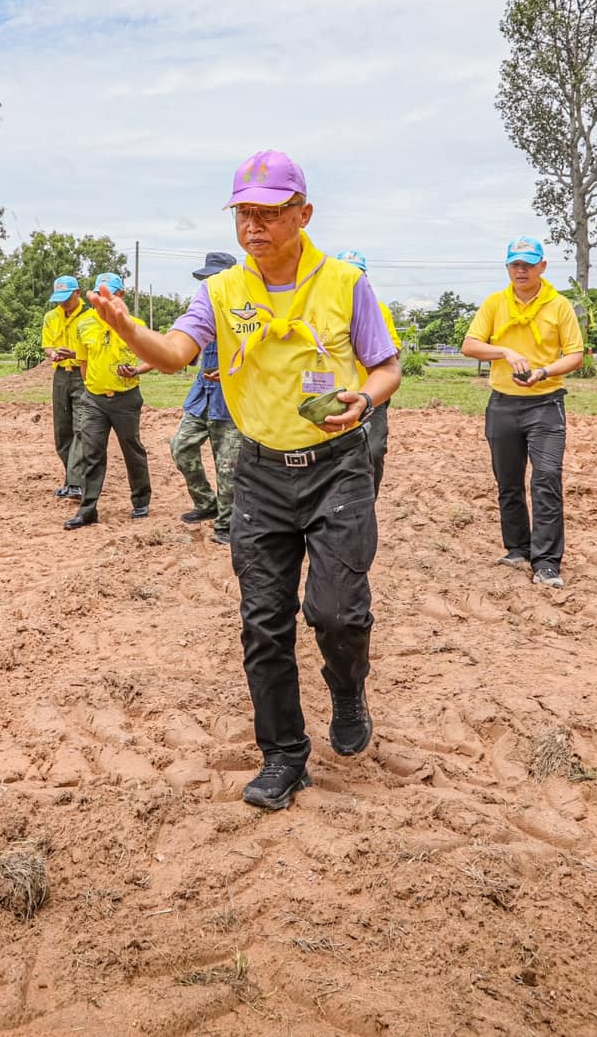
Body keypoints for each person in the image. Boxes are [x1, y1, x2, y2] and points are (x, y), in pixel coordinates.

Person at [87, 149, 401, 813]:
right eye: (243, 214)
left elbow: (385, 367)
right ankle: (284, 755)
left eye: (267, 213)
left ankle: (347, 687)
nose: (252, 226)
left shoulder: (345, 283)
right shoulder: (222, 292)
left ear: (303, 213)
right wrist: (128, 328)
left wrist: (366, 401)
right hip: (259, 474)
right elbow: (175, 353)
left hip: (338, 465)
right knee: (263, 623)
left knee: (337, 612)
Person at [460, 237, 586, 585]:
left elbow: (575, 354)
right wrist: (503, 352)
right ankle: (518, 548)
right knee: (508, 482)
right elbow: (469, 345)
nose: (521, 270)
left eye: (528, 264)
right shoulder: (495, 303)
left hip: (546, 404)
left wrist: (544, 371)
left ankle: (547, 562)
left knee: (546, 478)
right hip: (502, 404)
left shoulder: (559, 306)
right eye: (515, 264)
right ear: (507, 268)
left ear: (542, 266)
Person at [65, 272, 153, 529]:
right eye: (99, 295)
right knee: (92, 452)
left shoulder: (134, 324)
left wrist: (136, 370)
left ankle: (141, 500)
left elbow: (151, 358)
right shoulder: (85, 325)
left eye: (110, 295)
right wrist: (92, 389)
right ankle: (88, 508)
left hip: (126, 398)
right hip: (94, 399)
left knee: (132, 449)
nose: (103, 300)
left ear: (121, 296)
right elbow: (83, 363)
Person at [171, 251, 241, 545]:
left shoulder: (244, 313)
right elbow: (179, 347)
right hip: (202, 396)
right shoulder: (200, 313)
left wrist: (229, 373)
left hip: (232, 399)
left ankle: (227, 524)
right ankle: (205, 504)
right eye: (206, 278)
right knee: (181, 447)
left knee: (228, 466)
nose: (209, 283)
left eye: (215, 277)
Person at [336, 251, 402, 495]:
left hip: (371, 395)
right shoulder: (324, 309)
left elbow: (394, 351)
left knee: (373, 450)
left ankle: (368, 499)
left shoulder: (380, 310)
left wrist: (377, 348)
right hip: (336, 397)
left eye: (358, 273)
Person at [41, 275, 89, 500]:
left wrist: (75, 354)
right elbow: (47, 347)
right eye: (59, 299)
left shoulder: (90, 317)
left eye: (67, 298)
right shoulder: (51, 317)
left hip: (82, 374)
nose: (63, 303)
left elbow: (94, 349)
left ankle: (77, 484)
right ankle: (72, 480)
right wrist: (54, 353)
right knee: (62, 431)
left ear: (78, 293)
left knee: (81, 428)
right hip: (60, 375)